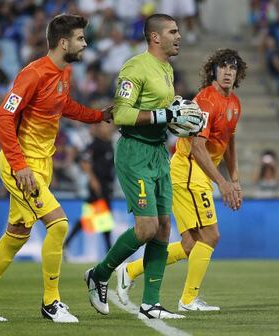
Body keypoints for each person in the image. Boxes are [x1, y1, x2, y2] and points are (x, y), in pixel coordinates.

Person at [0, 14, 111, 323]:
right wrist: (19, 166)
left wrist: (97, 116)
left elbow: (63, 105)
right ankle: (51, 303)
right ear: (63, 42)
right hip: (22, 165)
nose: (85, 43)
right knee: (59, 225)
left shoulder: (64, 72)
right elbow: (4, 116)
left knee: (17, 235)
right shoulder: (33, 74)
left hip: (42, 165)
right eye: (81, 38)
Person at [84, 13, 204, 320]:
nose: (179, 36)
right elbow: (122, 114)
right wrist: (166, 115)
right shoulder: (135, 67)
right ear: (155, 37)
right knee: (147, 228)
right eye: (173, 32)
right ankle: (99, 274)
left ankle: (151, 303)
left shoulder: (166, 68)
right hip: (135, 152)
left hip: (158, 153)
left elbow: (162, 110)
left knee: (164, 227)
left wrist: (178, 118)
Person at [116, 48, 247, 312]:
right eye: (223, 67)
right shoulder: (206, 101)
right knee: (211, 236)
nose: (228, 72)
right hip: (188, 170)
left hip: (196, 173)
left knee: (191, 244)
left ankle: (129, 271)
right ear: (214, 71)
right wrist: (222, 183)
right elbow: (198, 148)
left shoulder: (234, 103)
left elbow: (228, 140)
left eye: (232, 68)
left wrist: (234, 177)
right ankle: (188, 300)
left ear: (238, 74)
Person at [64, 122, 115, 254]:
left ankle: (65, 244)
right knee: (104, 219)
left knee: (91, 219)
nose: (108, 127)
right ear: (99, 128)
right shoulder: (96, 143)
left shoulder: (109, 143)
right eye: (105, 125)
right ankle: (110, 251)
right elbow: (84, 161)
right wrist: (93, 180)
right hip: (97, 186)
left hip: (106, 186)